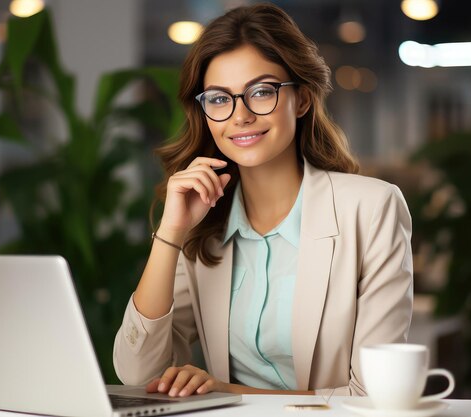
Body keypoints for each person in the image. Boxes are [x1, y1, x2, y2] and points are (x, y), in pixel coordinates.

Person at [113, 3, 413, 398]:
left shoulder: (372, 209)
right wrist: (171, 233)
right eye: (219, 99)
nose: (240, 116)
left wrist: (228, 392)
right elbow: (137, 374)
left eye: (260, 92)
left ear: (302, 100)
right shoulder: (204, 222)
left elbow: (373, 398)